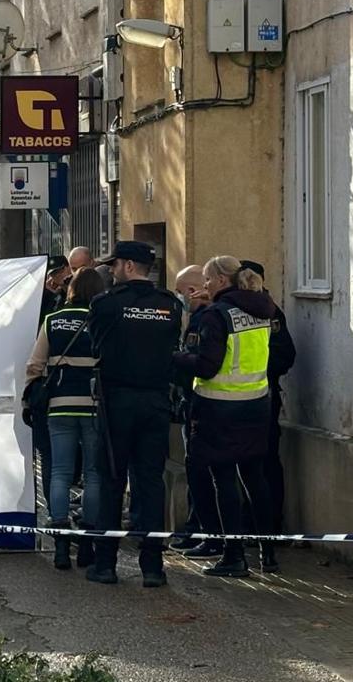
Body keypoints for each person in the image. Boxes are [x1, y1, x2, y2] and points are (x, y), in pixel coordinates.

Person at [85, 241, 183, 588]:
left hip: (117, 402)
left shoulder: (106, 304)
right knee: (150, 482)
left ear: (127, 266)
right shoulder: (170, 305)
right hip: (156, 403)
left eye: (114, 265)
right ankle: (153, 567)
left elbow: (97, 345)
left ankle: (105, 563)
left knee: (112, 479)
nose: (110, 271)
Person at [174, 256, 279, 577]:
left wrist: (176, 358)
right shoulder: (263, 309)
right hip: (256, 406)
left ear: (221, 280)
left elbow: (207, 366)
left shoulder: (216, 316)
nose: (204, 285)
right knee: (255, 479)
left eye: (208, 279)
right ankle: (268, 552)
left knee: (224, 481)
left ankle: (234, 555)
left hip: (219, 409)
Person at [25, 267, 103, 570]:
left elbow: (35, 364)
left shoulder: (53, 320)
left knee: (59, 472)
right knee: (93, 474)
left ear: (70, 290)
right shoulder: (101, 319)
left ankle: (60, 543)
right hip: (95, 405)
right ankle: (87, 543)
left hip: (59, 404)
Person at [239, 260, 297, 535]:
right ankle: (251, 525)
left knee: (265, 463)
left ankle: (268, 527)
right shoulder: (231, 309)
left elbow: (284, 355)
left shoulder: (270, 312)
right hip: (241, 398)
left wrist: (258, 370)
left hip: (263, 397)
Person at [169, 265, 220, 556]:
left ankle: (203, 530)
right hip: (217, 404)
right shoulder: (208, 316)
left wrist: (173, 358)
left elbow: (198, 363)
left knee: (201, 472)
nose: (180, 299)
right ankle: (195, 526)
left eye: (180, 293)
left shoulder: (205, 319)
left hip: (203, 403)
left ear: (191, 291)